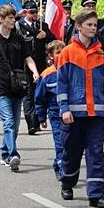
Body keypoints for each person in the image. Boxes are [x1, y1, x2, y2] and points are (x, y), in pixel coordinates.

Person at [57, 8, 104, 208]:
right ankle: (68, 181)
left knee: (96, 152)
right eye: (89, 25)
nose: (93, 28)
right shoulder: (67, 53)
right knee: (72, 151)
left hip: (96, 113)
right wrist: (64, 108)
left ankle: (96, 195)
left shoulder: (101, 53)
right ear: (78, 27)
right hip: (74, 113)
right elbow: (62, 84)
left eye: (95, 25)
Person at [0, 4, 39, 172]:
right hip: (0, 87)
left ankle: (5, 152)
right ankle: (13, 154)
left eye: (14, 17)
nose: (14, 20)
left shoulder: (19, 39)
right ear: (2, 19)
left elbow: (28, 58)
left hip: (18, 86)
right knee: (8, 121)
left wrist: (34, 71)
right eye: (10, 18)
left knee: (14, 124)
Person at [16, 0, 56, 135]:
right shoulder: (18, 26)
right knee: (28, 94)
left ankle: (40, 120)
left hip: (40, 64)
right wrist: (17, 16)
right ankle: (31, 124)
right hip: (24, 64)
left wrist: (47, 35)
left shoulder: (41, 25)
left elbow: (54, 41)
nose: (33, 15)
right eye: (31, 12)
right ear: (25, 12)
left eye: (35, 12)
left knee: (40, 94)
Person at [34, 40, 66, 180]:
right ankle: (63, 170)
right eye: (58, 52)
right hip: (55, 115)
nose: (61, 54)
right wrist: (41, 118)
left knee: (70, 145)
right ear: (51, 56)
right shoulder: (46, 74)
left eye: (63, 51)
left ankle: (57, 163)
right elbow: (40, 98)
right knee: (60, 143)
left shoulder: (71, 70)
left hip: (70, 114)